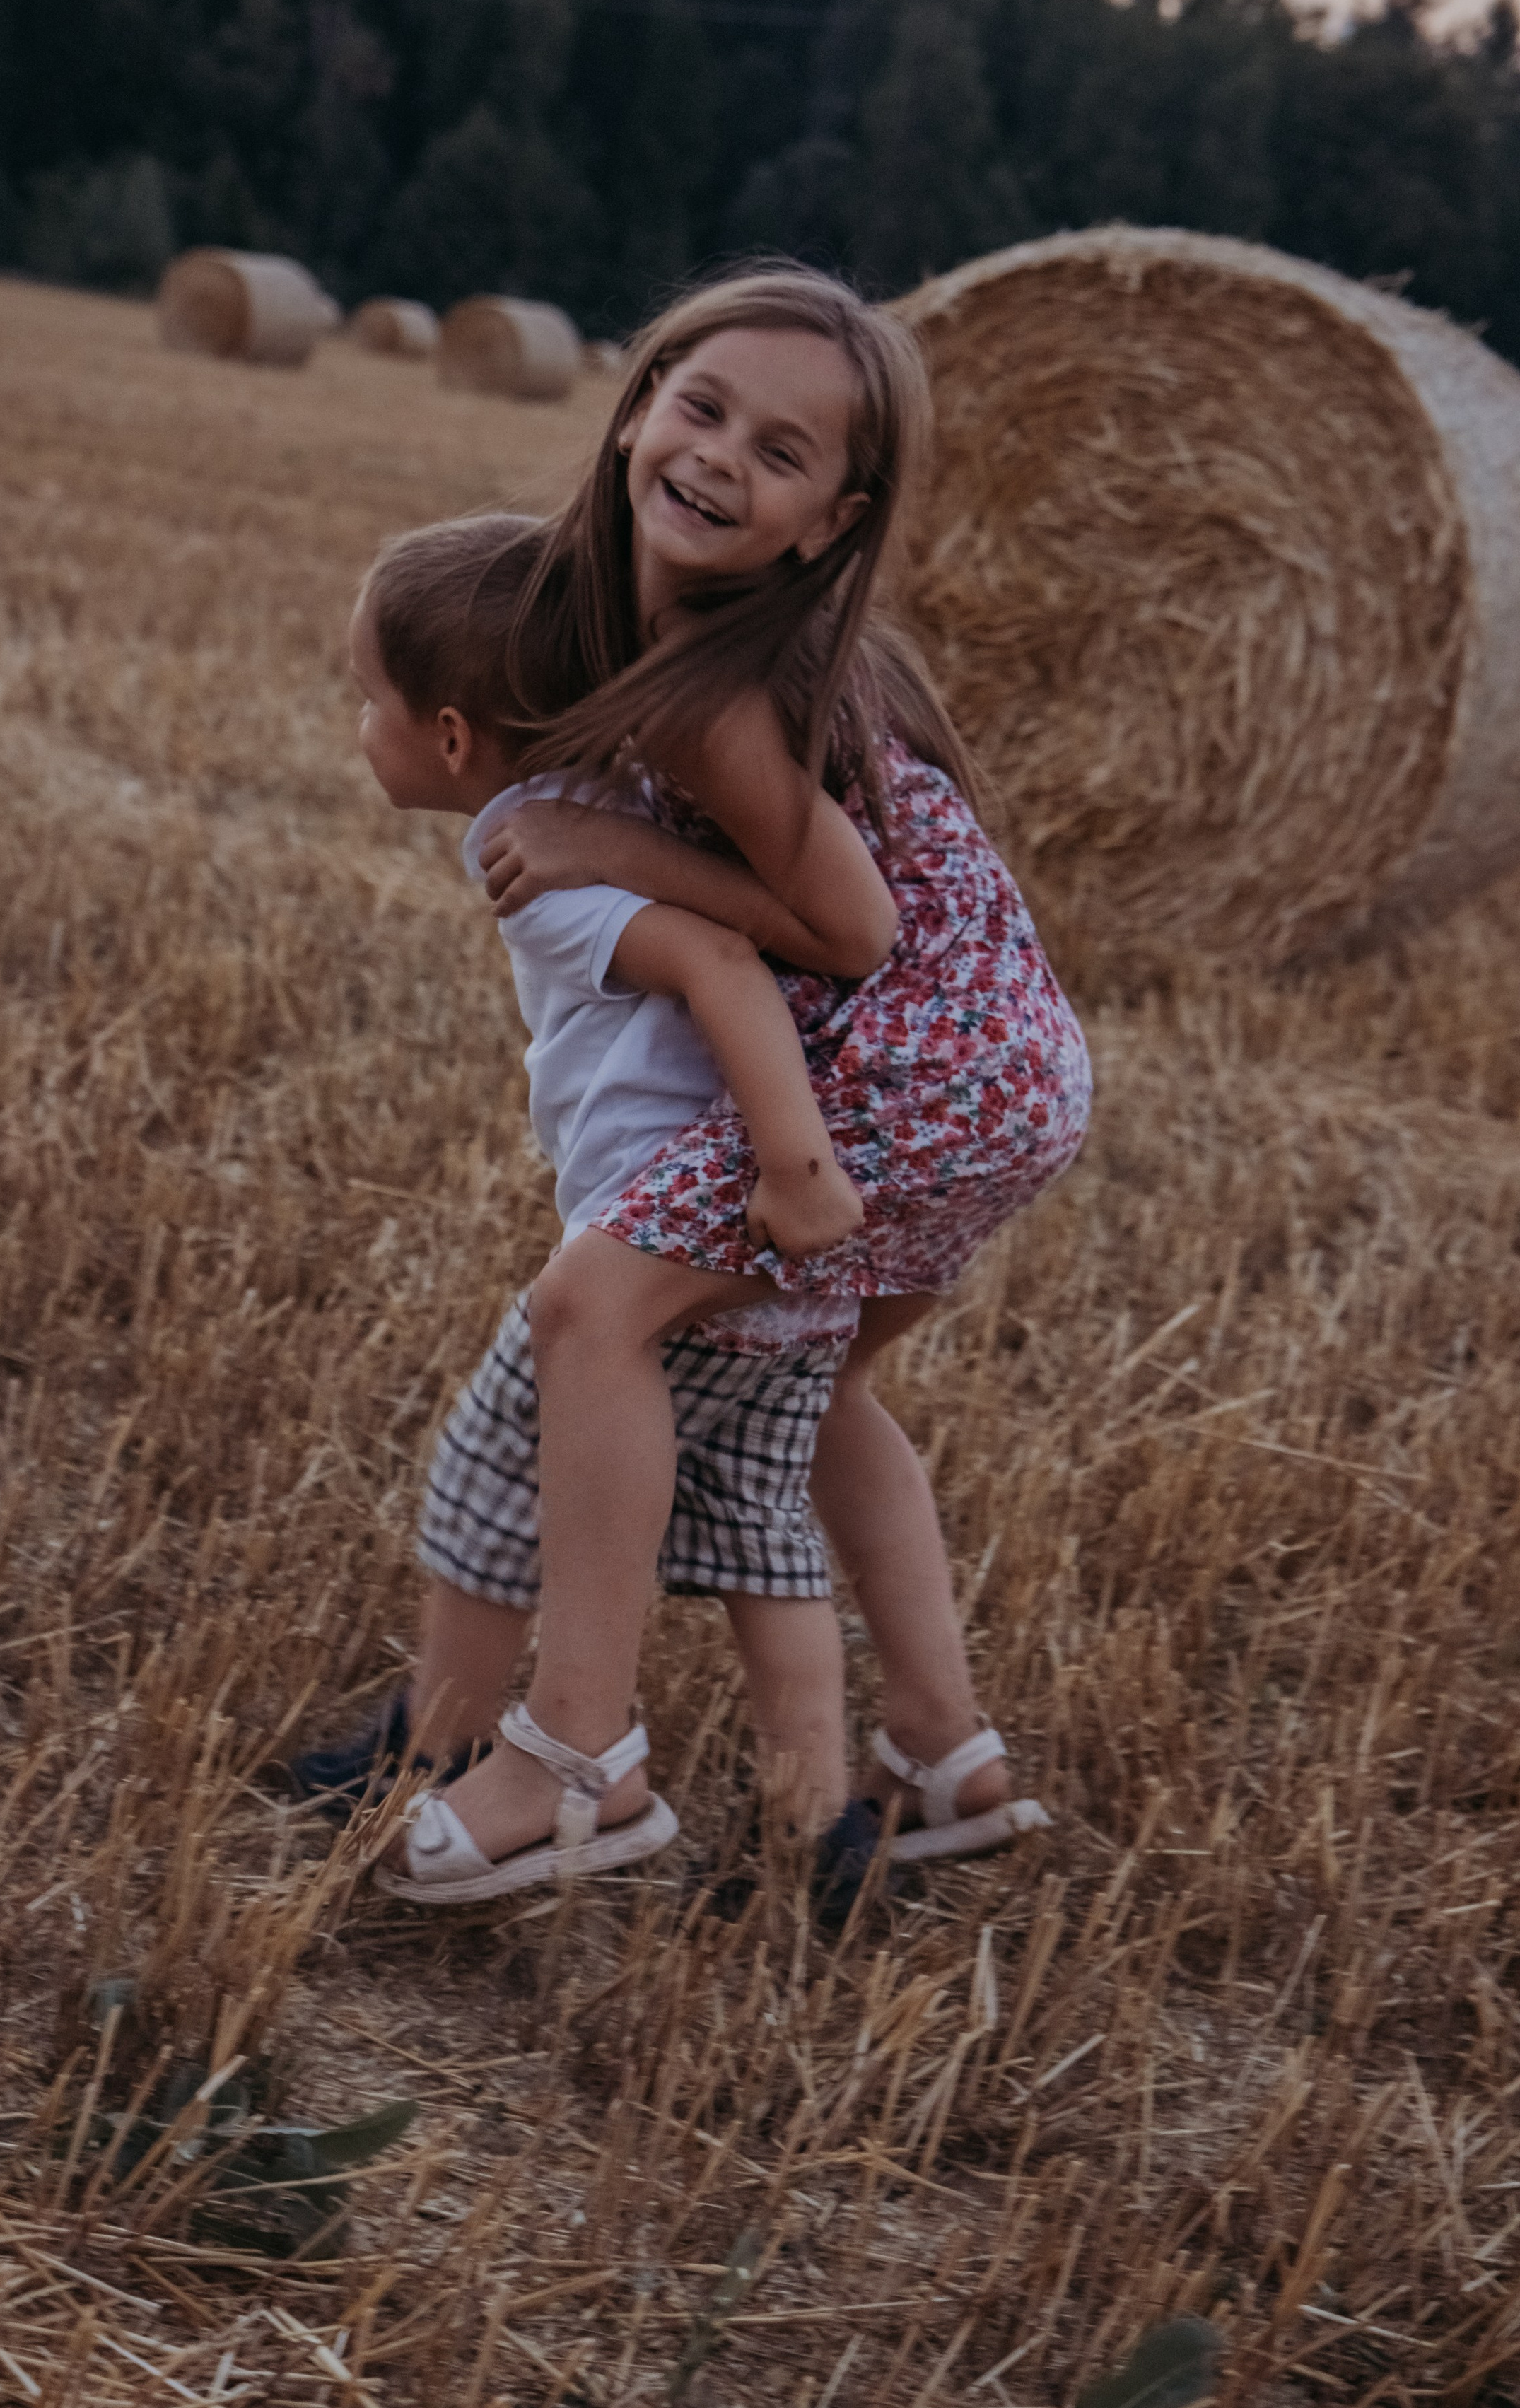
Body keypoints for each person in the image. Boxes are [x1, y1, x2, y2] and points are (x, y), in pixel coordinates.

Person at [361, 264, 1092, 1899]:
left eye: (777, 453)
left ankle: (574, 1751)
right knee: (820, 1394)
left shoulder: (711, 698)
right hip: (1012, 1062)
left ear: (830, 521)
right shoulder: (737, 649)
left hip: (915, 1063)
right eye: (700, 408)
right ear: (636, 403)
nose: (716, 458)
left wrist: (612, 848)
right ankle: (944, 1753)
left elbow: (851, 932)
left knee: (589, 1313)